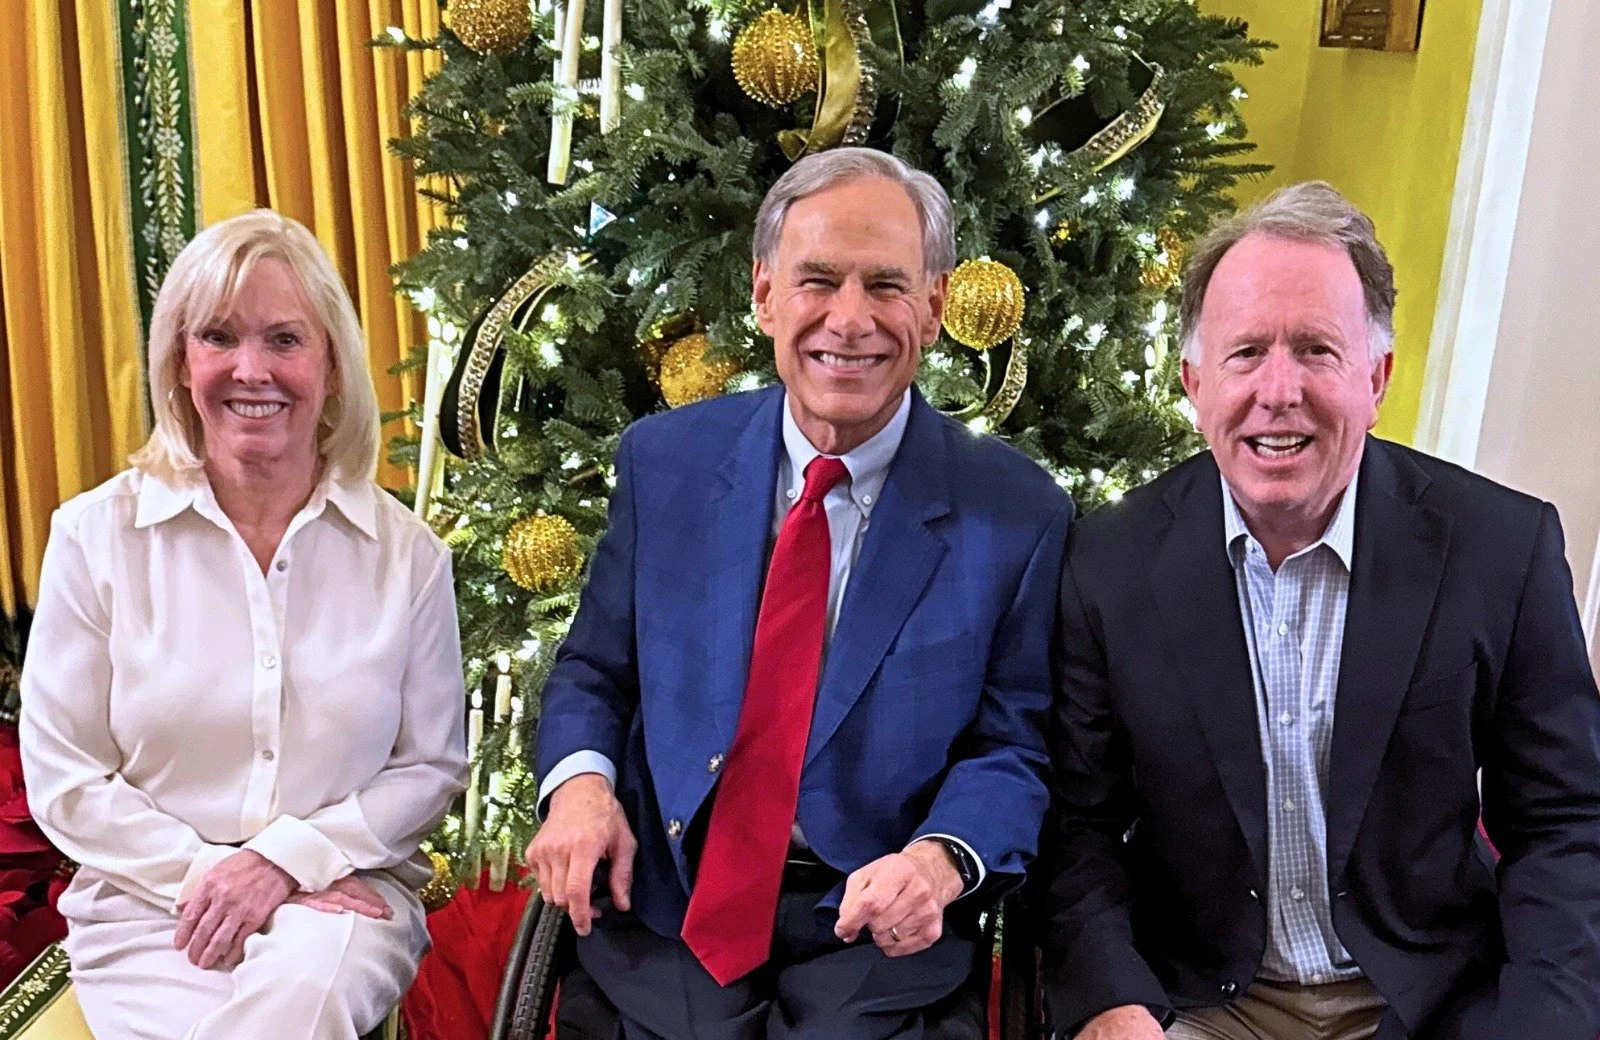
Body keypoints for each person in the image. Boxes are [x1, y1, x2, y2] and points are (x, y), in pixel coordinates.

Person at [524, 147, 1073, 1039]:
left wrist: (938, 864)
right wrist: (581, 789)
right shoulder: (663, 463)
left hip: (878, 934)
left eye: (886, 287)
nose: (849, 320)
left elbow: (1013, 747)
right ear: (764, 292)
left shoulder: (1019, 514)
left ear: (934, 308)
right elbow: (593, 670)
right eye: (818, 279)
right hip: (670, 903)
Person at [1037, 180, 1600, 1040]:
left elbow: (1566, 823)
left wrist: (1542, 1024)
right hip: (1201, 1003)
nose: (1279, 391)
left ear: (1377, 376)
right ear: (1194, 382)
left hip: (1431, 1003)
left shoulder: (1502, 549)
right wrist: (1114, 1003)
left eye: (1316, 351)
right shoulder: (1108, 563)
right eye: (1246, 353)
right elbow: (1078, 832)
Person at [19, 209, 468, 1040]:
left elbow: (430, 766)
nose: (250, 370)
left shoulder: (408, 556)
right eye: (219, 336)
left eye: (284, 340)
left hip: (342, 904)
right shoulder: (92, 537)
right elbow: (65, 776)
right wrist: (211, 875)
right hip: (152, 912)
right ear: (179, 363)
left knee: (305, 990)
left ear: (332, 365)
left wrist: (281, 863)